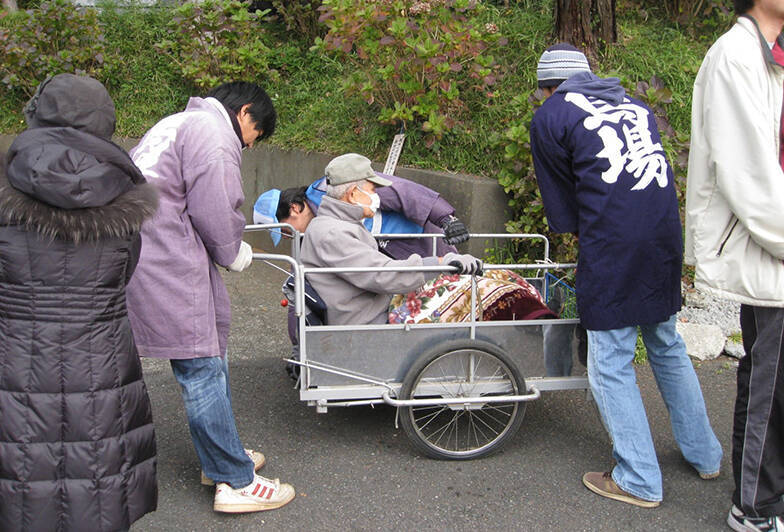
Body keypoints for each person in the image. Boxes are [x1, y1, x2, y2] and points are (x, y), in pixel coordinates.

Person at [529, 44, 722, 509]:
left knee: (610, 360)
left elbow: (564, 204)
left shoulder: (552, 115)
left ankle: (637, 478)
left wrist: (582, 244)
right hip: (662, 236)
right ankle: (705, 455)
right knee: (666, 342)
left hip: (614, 243)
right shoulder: (634, 105)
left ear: (548, 88)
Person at [125, 81, 295, 513]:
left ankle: (222, 457)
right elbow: (216, 208)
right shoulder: (214, 134)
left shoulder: (175, 123)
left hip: (145, 253)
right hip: (169, 261)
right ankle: (233, 481)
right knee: (201, 365)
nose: (251, 144)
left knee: (203, 359)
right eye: (256, 134)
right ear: (245, 114)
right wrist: (233, 250)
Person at [0, 74, 158, 531]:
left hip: (16, 361)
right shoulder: (127, 203)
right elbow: (123, 276)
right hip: (101, 362)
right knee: (98, 477)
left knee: (22, 476)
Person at [687, 0, 784, 529]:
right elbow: (749, 178)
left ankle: (764, 500)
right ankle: (755, 508)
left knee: (770, 378)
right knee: (772, 388)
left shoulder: (771, 56)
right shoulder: (734, 57)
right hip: (764, 245)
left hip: (771, 243)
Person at [300, 153, 482, 326]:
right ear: (353, 194)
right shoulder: (333, 233)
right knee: (468, 297)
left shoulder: (333, 224)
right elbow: (383, 274)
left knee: (458, 289)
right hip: (368, 320)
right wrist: (442, 262)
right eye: (372, 190)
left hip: (371, 307)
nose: (376, 197)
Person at [254, 172, 469, 259]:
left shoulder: (333, 188)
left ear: (294, 208)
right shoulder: (314, 234)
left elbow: (400, 190)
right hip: (396, 267)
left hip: (424, 244)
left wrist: (445, 218)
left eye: (284, 229)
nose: (288, 236)